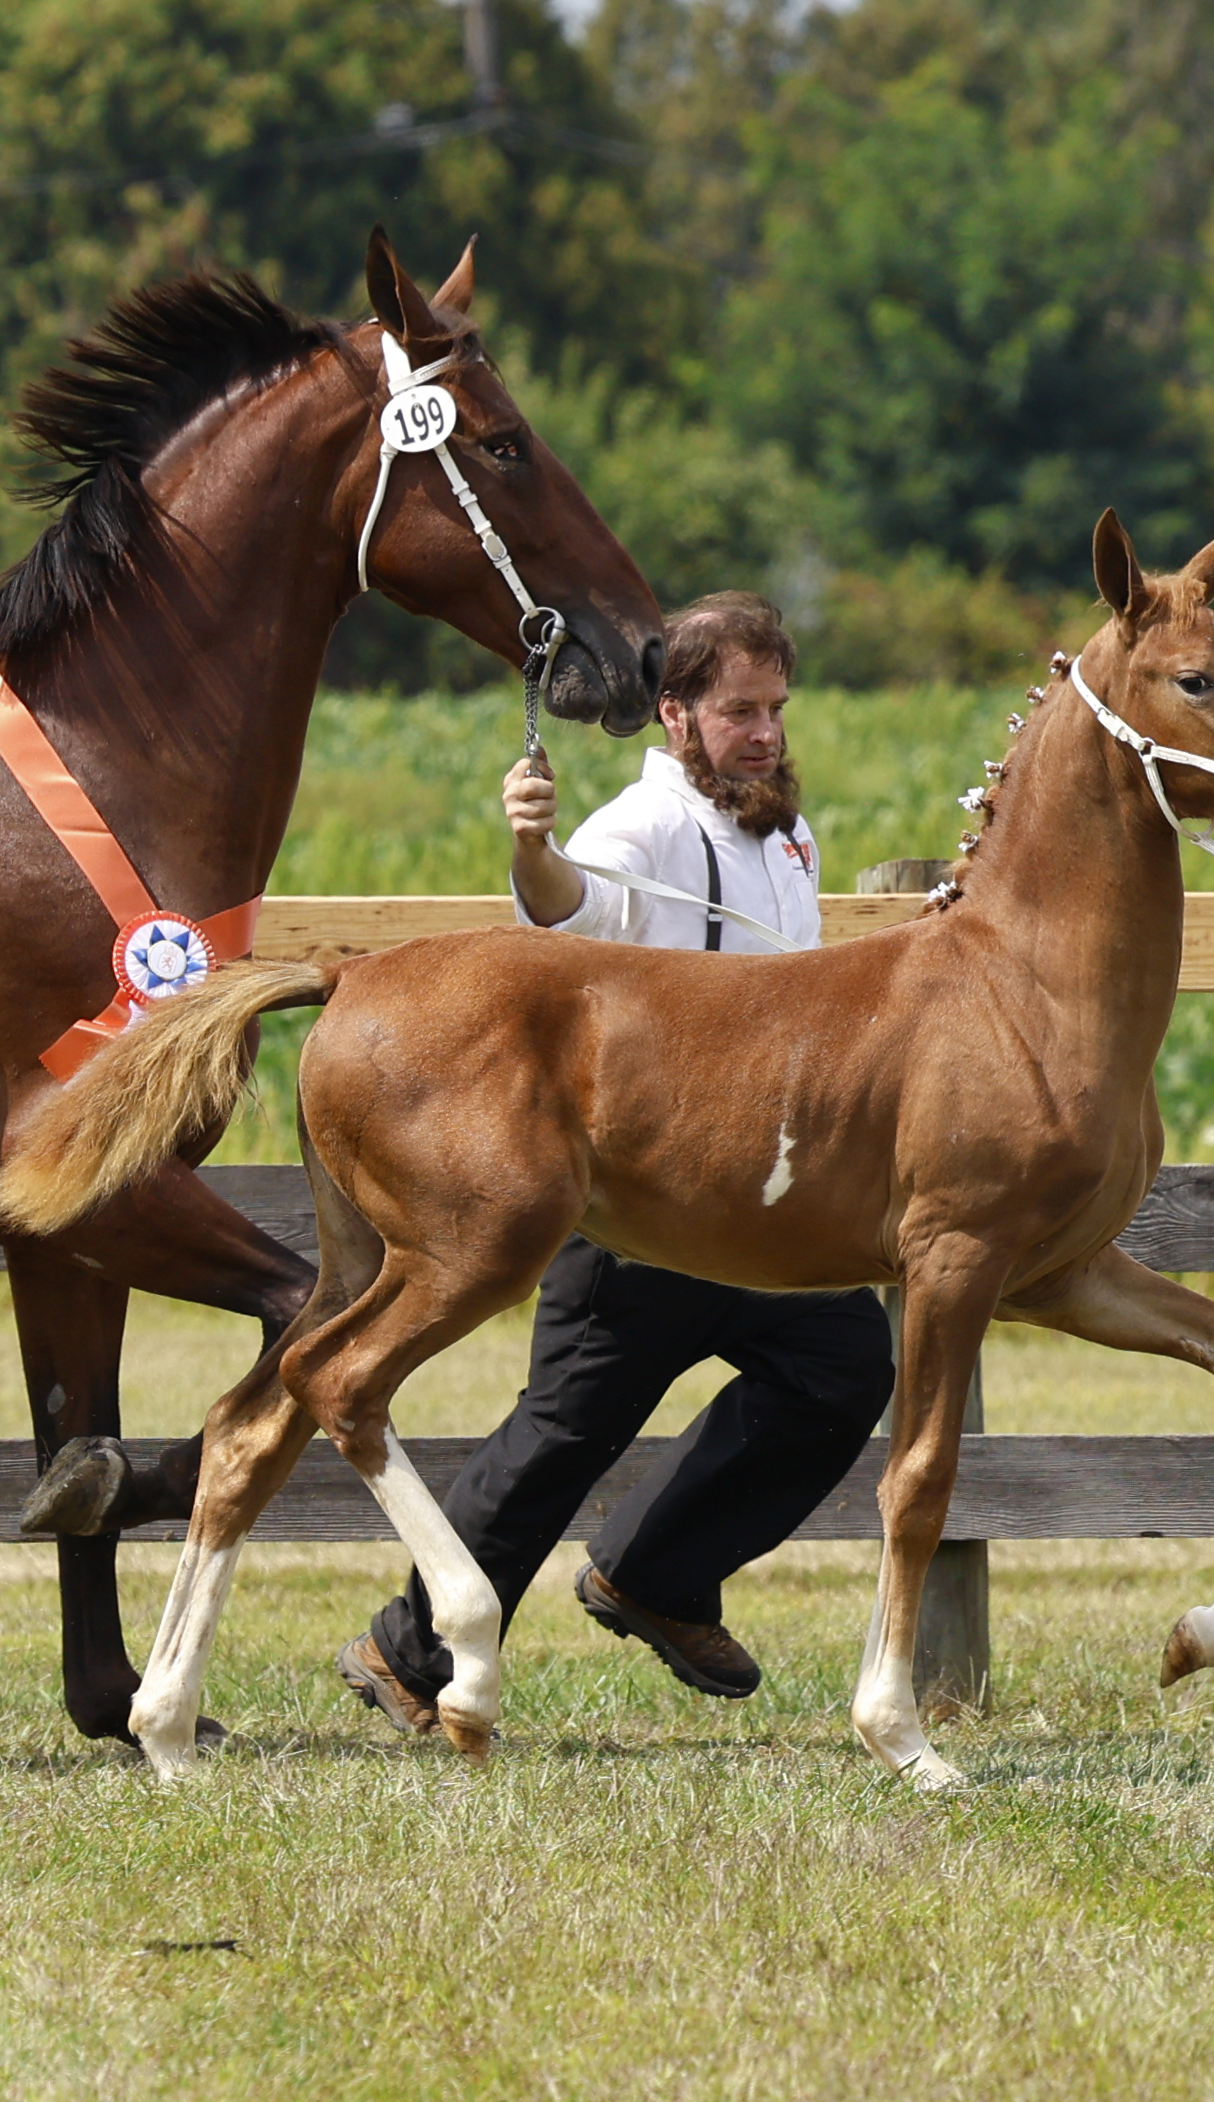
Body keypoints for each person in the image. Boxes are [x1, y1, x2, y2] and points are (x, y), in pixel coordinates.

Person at [338, 590, 899, 1733]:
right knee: (561, 1436)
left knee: (842, 1376)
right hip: (640, 1206)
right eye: (738, 711)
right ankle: (406, 1654)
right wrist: (529, 845)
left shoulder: (790, 834)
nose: (765, 732)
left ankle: (654, 1571)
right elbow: (564, 915)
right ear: (674, 713)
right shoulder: (636, 830)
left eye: (775, 709)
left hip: (759, 1212)